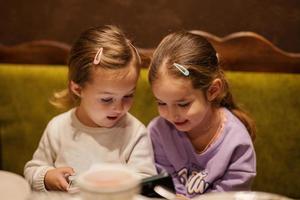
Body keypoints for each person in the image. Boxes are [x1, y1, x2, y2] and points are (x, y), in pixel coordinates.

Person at [24, 25, 157, 192]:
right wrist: (47, 177)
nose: (119, 108)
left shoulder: (135, 133)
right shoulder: (58, 128)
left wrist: (123, 184)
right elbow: (31, 170)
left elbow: (146, 182)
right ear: (78, 89)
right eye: (107, 99)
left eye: (128, 95)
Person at [147, 31, 256, 198]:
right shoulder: (158, 132)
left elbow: (232, 195)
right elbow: (163, 185)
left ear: (212, 91)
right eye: (161, 103)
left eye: (183, 104)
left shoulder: (237, 143)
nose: (172, 115)